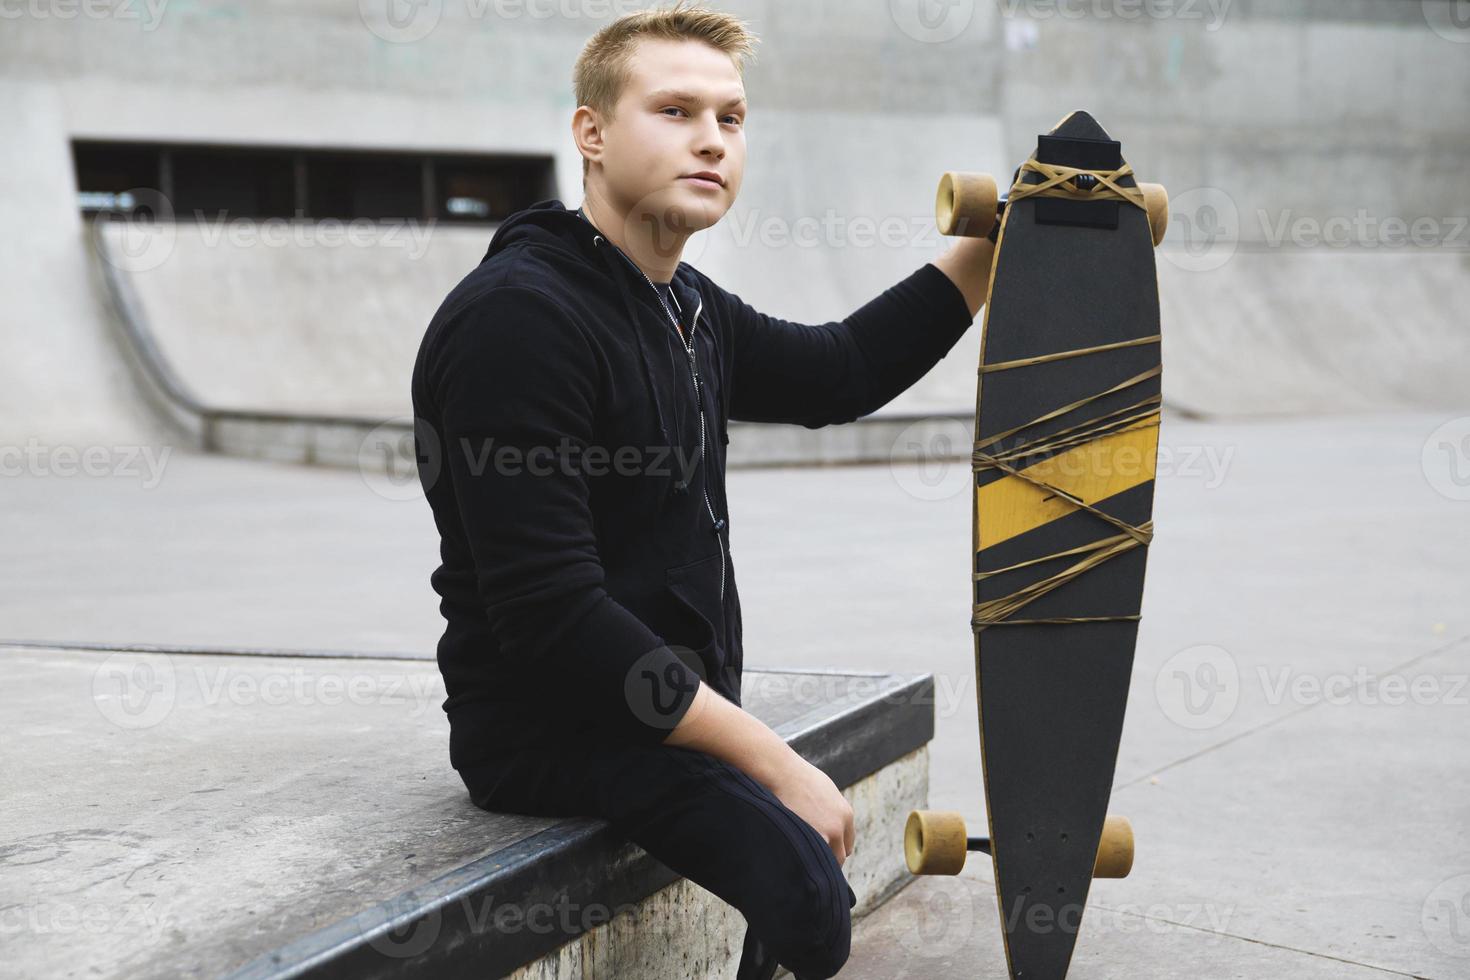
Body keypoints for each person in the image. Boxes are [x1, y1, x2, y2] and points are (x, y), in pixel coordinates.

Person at [410, 3, 994, 976]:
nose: (712, 139)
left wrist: (996, 250)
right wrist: (769, 755)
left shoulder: (682, 304)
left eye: (731, 117)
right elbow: (556, 617)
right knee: (808, 895)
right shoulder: (521, 320)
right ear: (590, 133)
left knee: (805, 869)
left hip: (654, 711)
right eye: (676, 110)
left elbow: (839, 370)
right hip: (549, 727)